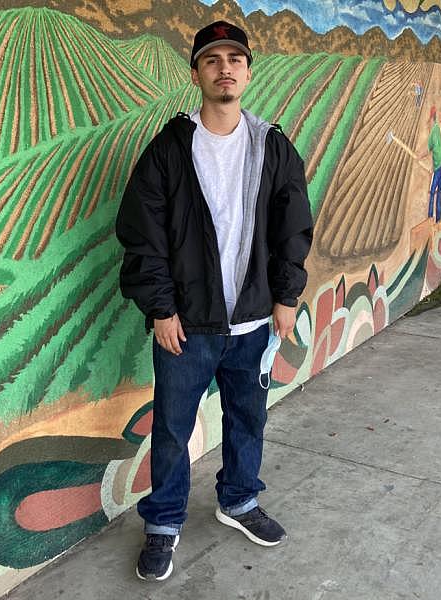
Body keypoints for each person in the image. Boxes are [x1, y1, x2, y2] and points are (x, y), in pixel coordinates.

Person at [115, 21, 313, 581]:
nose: (224, 68)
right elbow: (142, 232)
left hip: (253, 324)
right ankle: (163, 523)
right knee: (174, 429)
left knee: (247, 418)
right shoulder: (171, 149)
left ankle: (240, 500)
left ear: (248, 72)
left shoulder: (271, 145)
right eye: (212, 60)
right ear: (197, 73)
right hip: (187, 325)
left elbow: (292, 228)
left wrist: (285, 297)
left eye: (235, 59)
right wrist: (160, 307)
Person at [419, 105, 441, 223]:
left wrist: (419, 156)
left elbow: (427, 150)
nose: (428, 124)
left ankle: (430, 218)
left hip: (438, 167)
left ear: (432, 119)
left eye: (429, 121)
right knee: (439, 192)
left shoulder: (432, 134)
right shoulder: (437, 128)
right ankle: (438, 218)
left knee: (432, 192)